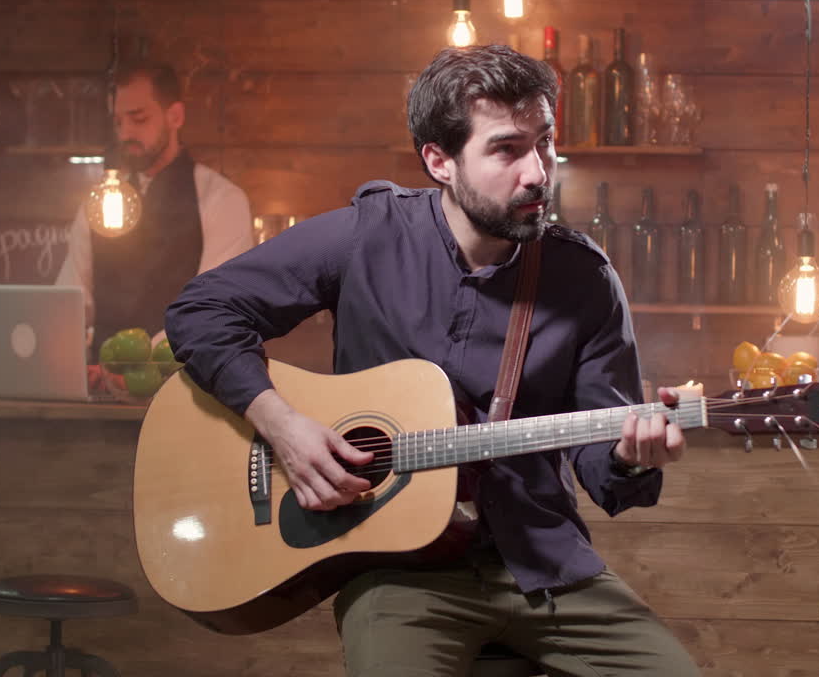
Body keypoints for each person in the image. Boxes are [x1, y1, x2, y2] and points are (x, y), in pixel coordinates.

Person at [165, 44, 700, 677]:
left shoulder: (584, 278)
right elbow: (200, 312)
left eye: (545, 142)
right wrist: (281, 425)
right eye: (506, 149)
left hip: (544, 564)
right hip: (400, 574)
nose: (538, 172)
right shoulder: (366, 236)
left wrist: (630, 456)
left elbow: (605, 472)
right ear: (440, 161)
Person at [56, 61, 254, 345]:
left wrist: (146, 355)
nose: (125, 134)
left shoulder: (222, 200)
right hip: (102, 370)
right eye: (118, 122)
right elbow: (69, 303)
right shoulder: (97, 206)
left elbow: (214, 308)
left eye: (138, 119)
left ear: (175, 116)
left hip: (183, 370)